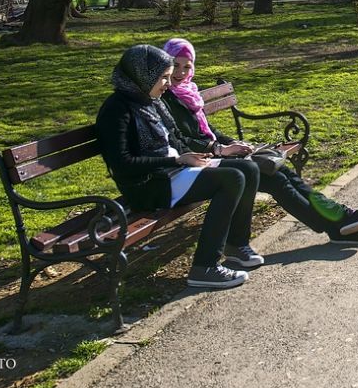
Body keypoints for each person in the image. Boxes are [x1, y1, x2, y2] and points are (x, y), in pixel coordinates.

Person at [160, 38, 358, 245]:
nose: (180, 73)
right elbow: (182, 140)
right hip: (199, 165)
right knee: (275, 178)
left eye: (187, 66)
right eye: (175, 66)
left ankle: (340, 218)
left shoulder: (188, 93)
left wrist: (237, 143)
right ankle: (337, 223)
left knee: (282, 172)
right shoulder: (165, 97)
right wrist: (221, 149)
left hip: (217, 155)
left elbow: (209, 132)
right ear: (166, 65)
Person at [96, 45, 262, 290]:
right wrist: (177, 160)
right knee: (232, 178)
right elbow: (123, 164)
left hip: (174, 173)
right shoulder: (116, 109)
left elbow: (174, 139)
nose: (167, 83)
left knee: (249, 169)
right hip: (148, 186)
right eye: (163, 77)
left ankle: (237, 245)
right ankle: (204, 267)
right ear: (143, 75)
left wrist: (204, 153)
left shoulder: (151, 100)